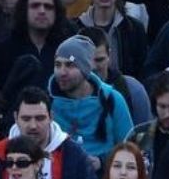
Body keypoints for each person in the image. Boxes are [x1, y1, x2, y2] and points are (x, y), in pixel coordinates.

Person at [0, 87, 96, 179]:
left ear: (51, 117)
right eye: (26, 119)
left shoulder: (73, 154)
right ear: (16, 118)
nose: (33, 126)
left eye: (40, 118)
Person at [47, 34, 133, 162]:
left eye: (70, 65)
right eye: (58, 65)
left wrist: (102, 162)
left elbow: (129, 149)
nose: (62, 72)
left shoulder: (112, 99)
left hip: (103, 177)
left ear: (85, 68)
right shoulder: (47, 101)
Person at [82, 141, 164, 179]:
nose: (123, 172)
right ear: (108, 171)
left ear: (139, 173)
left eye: (131, 167)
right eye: (117, 166)